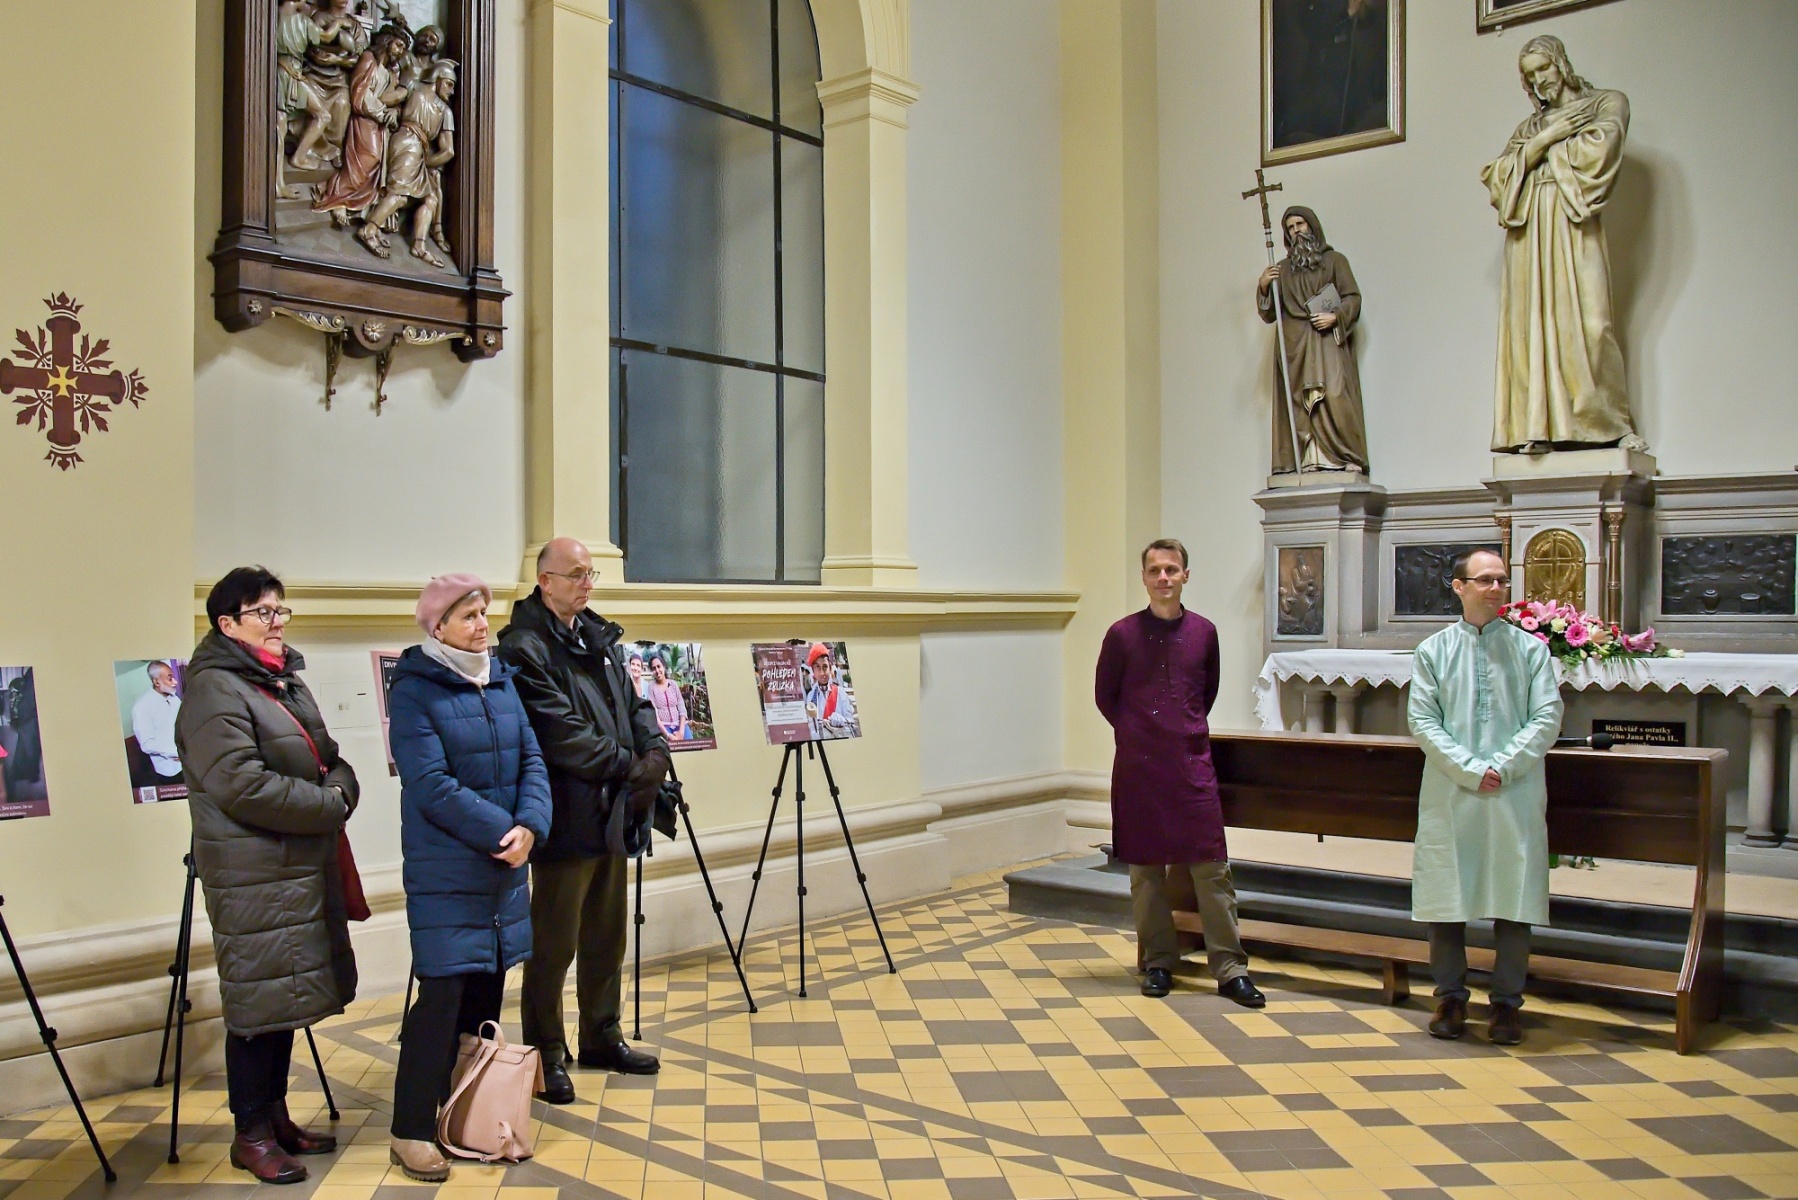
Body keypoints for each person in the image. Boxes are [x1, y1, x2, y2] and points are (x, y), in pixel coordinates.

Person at [176, 567, 359, 1185]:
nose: (277, 621)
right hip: (252, 871)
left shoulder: (282, 680)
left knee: (285, 996)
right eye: (263, 612)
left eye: (281, 609)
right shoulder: (213, 690)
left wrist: (340, 788)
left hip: (294, 865)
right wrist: (330, 804)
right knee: (257, 1003)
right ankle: (249, 1134)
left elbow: (329, 757)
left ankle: (276, 1118)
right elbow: (240, 784)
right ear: (227, 624)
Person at [385, 575, 552, 1182]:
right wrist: (504, 832)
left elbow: (532, 758)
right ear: (438, 628)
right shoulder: (414, 689)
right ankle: (409, 1130)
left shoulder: (500, 678)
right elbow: (430, 783)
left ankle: (463, 1114)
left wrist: (531, 825)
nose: (482, 626)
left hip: (503, 868)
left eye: (484, 613)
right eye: (468, 617)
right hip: (449, 869)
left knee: (485, 993)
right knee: (442, 998)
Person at [497, 537, 670, 1105]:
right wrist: (628, 765)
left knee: (606, 934)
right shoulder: (524, 646)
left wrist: (655, 753)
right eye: (575, 574)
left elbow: (636, 704)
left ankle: (601, 1035)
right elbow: (560, 732)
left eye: (590, 573)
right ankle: (546, 1052)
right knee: (554, 943)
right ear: (544, 580)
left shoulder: (597, 637)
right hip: (566, 812)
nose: (586, 584)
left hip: (614, 810)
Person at [1095, 539, 1265, 1008]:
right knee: (1146, 872)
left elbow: (1205, 693)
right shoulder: (1121, 635)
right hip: (1139, 767)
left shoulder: (1204, 632)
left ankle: (1230, 969)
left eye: (1171, 569)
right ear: (1144, 578)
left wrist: (1179, 732)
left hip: (1191, 765)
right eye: (1155, 570)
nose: (1163, 578)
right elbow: (1106, 697)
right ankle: (1158, 962)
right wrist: (1140, 734)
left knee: (1212, 869)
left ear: (1186, 575)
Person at [1408, 548, 1563, 1045]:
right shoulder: (1433, 651)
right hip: (1451, 791)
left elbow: (1547, 716)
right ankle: (1450, 998)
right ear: (1459, 587)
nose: (1496, 588)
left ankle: (1506, 1005)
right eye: (1485, 580)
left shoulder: (1531, 650)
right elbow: (1422, 721)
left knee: (1513, 895)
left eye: (1502, 580)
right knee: (1446, 896)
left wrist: (1503, 766)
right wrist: (1472, 769)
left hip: (1514, 791)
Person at [1483, 35, 1639, 454]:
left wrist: (1540, 154)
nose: (1539, 81)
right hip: (1529, 231)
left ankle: (1609, 424)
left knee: (1591, 324)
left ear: (1561, 64)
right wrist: (1543, 140)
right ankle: (1536, 426)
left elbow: (1601, 150)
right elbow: (1497, 180)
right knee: (1532, 326)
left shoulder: (1605, 103)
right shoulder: (1530, 128)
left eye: (1544, 69)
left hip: (1572, 221)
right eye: (1529, 76)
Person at [1255, 206, 1368, 476]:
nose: (1296, 231)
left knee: (1335, 394)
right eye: (1290, 228)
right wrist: (1263, 286)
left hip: (1325, 340)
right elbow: (1270, 314)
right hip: (1296, 345)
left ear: (1312, 226)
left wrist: (1335, 317)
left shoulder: (1335, 261)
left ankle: (1343, 455)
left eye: (1300, 224)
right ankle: (1307, 459)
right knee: (1300, 403)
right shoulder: (1282, 270)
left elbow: (1353, 297)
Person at [131, 660, 184, 785]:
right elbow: (147, 744)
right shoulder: (142, 707)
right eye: (169, 678)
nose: (175, 682)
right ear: (156, 682)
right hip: (169, 770)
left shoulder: (174, 699)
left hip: (187, 764)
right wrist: (176, 752)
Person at [802, 643, 857, 739]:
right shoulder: (811, 696)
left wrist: (842, 721)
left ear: (830, 668)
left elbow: (851, 723)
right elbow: (811, 726)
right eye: (817, 667)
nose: (822, 673)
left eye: (825, 667)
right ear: (813, 671)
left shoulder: (840, 693)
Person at [646, 655, 690, 741]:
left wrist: (681, 732)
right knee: (668, 747)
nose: (657, 670)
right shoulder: (651, 687)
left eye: (659, 666)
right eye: (654, 668)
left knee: (691, 745)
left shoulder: (673, 684)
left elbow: (682, 708)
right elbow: (654, 714)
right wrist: (667, 735)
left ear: (664, 667)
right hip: (663, 727)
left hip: (680, 724)